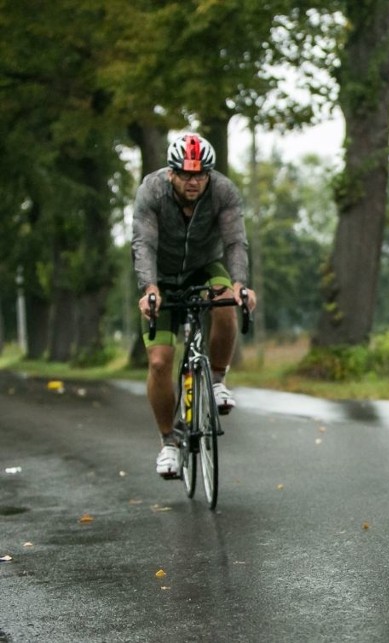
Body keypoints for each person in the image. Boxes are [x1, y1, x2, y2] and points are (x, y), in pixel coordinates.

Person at [132, 133, 257, 478]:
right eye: (185, 174)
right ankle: (169, 442)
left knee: (225, 301)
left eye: (200, 174)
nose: (193, 181)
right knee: (159, 362)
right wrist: (149, 289)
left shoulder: (223, 191)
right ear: (171, 173)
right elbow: (143, 243)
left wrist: (240, 284)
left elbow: (234, 242)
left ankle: (216, 380)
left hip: (204, 266)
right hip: (162, 275)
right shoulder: (151, 191)